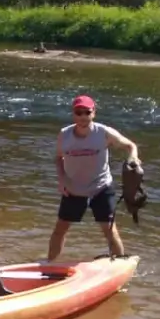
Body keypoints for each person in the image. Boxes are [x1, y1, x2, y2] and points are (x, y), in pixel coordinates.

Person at [49, 94, 141, 260]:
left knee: (109, 229)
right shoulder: (65, 134)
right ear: (73, 114)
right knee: (60, 229)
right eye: (79, 112)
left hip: (101, 187)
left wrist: (133, 157)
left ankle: (119, 265)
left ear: (93, 113)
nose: (83, 116)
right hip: (73, 189)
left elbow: (130, 145)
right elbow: (57, 158)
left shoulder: (104, 132)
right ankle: (49, 265)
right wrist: (61, 179)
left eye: (87, 112)